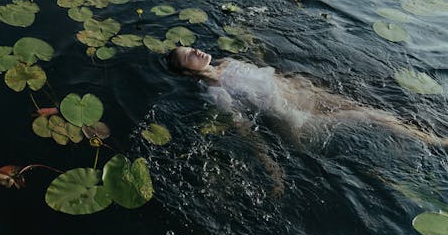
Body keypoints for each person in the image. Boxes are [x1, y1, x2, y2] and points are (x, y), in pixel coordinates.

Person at [167, 46, 448, 193]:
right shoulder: (217, 94)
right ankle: (434, 142)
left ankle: (408, 136)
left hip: (304, 92)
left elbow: (269, 74)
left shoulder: (227, 61)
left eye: (192, 47)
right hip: (294, 116)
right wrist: (270, 165)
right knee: (368, 116)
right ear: (188, 74)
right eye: (188, 55)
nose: (196, 50)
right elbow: (244, 129)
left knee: (363, 107)